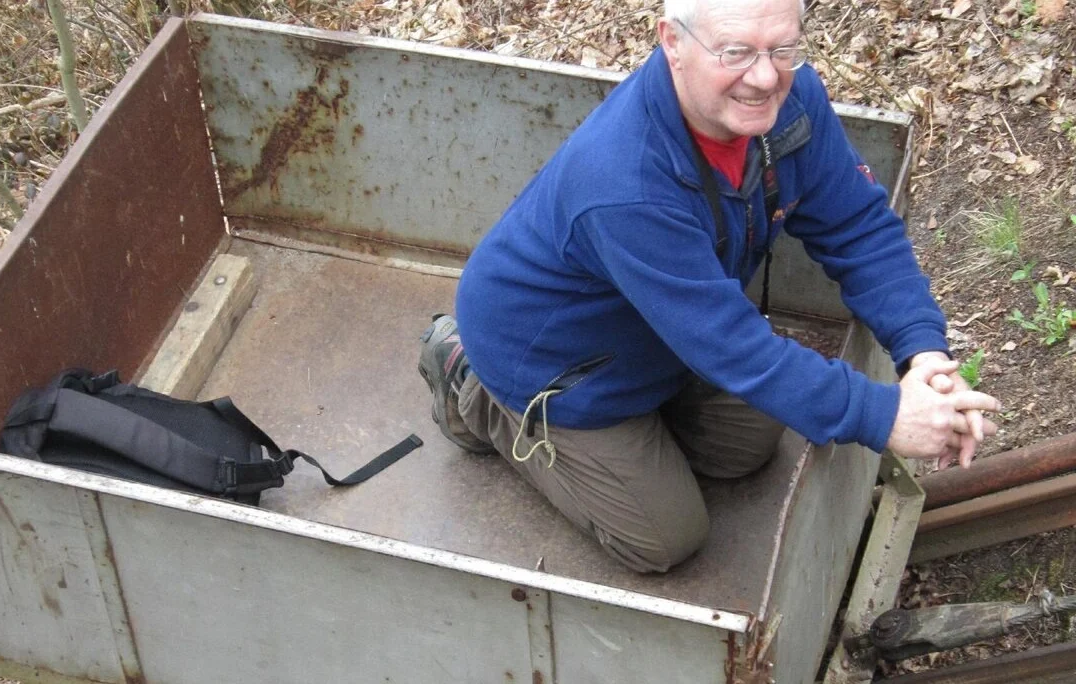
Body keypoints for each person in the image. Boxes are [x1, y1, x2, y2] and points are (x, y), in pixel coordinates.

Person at [418, 0, 1000, 573]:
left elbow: (857, 226)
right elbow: (729, 344)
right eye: (737, 52)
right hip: (556, 361)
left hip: (661, 329)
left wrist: (924, 355)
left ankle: (639, 432)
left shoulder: (790, 103)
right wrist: (885, 416)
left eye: (783, 48)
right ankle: (469, 385)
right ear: (672, 42)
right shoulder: (624, 181)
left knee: (749, 445)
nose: (766, 76)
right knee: (664, 539)